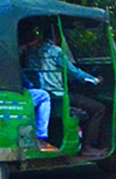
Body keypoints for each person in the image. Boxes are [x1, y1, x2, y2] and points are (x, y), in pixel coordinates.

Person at [25, 28, 107, 156]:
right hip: (57, 95)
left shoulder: (32, 52)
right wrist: (95, 80)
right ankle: (87, 147)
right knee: (98, 108)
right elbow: (73, 72)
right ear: (57, 38)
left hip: (40, 92)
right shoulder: (56, 52)